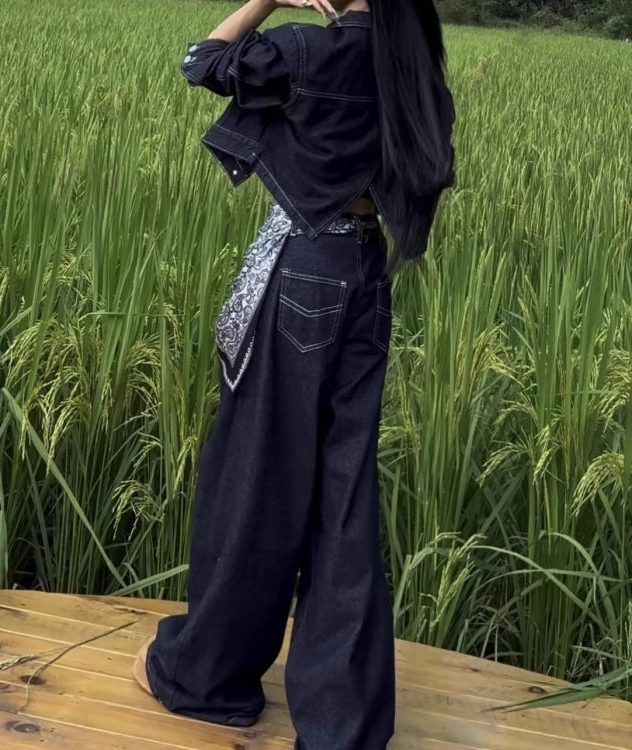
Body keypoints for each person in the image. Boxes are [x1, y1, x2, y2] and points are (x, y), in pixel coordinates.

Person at [133, 0, 455, 748]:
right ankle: (343, 729)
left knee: (259, 478)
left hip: (304, 270)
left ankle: (208, 678)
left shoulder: (308, 50)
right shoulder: (408, 62)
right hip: (367, 275)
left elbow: (199, 61)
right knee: (346, 500)